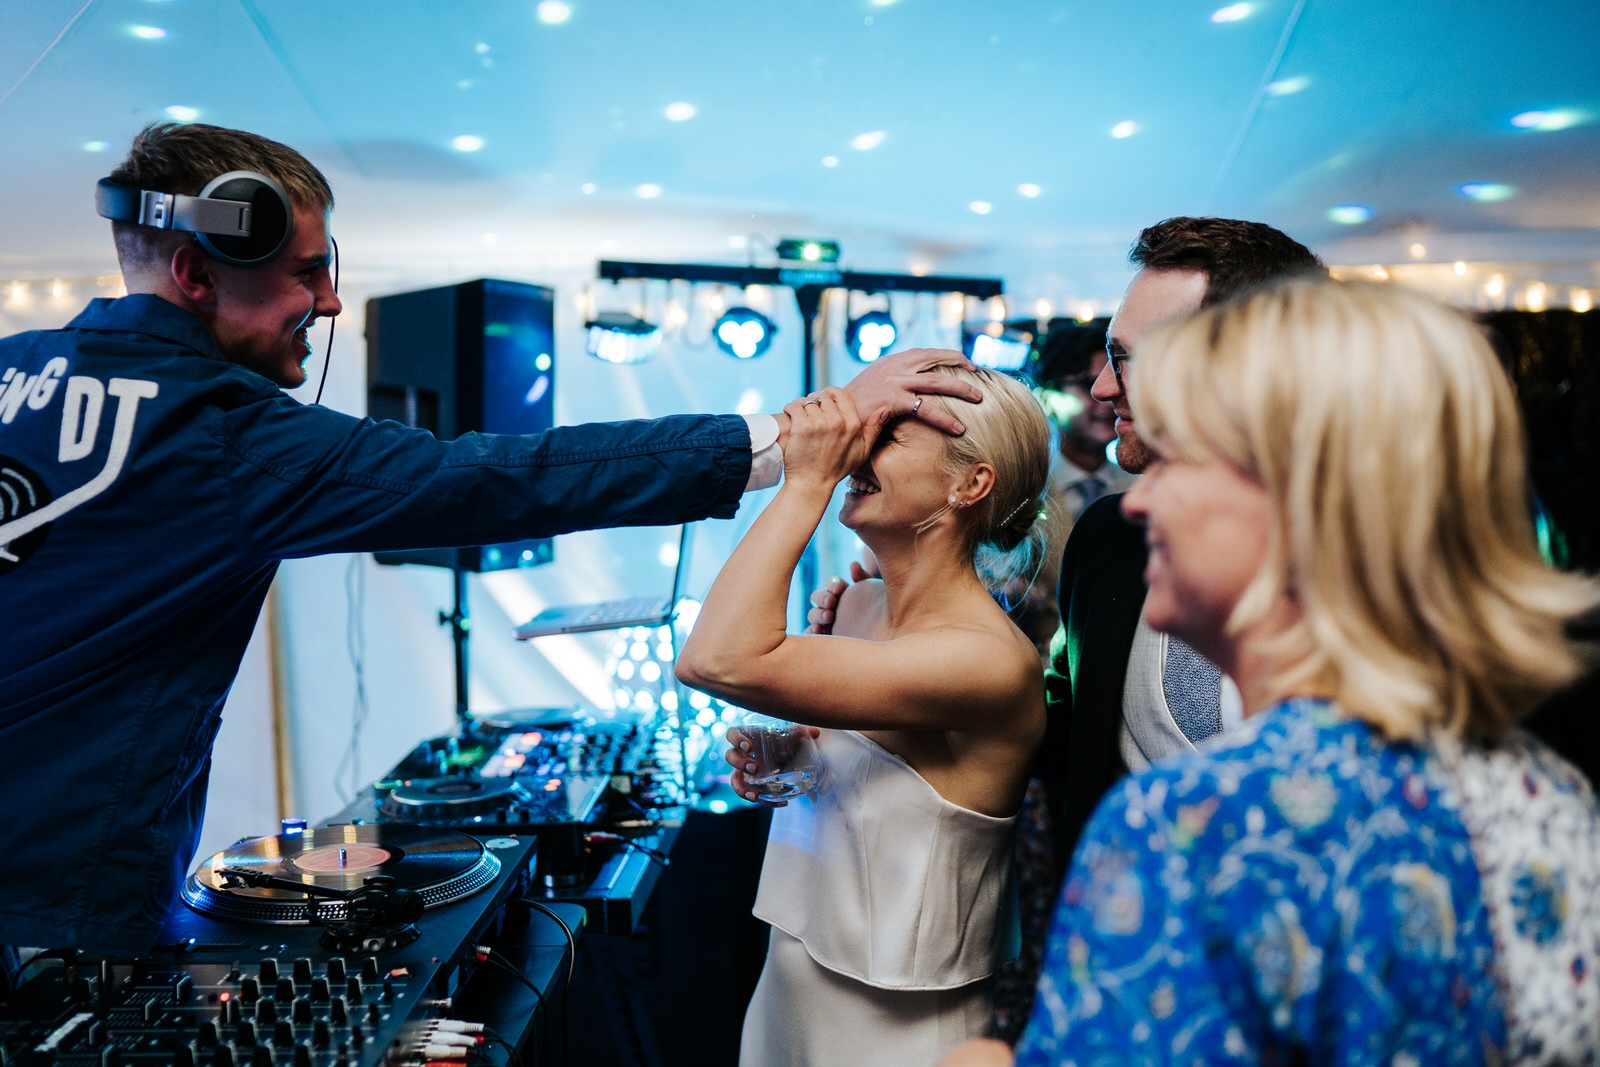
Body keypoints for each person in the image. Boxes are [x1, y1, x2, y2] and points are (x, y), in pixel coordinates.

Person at [0, 122, 981, 958]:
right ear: (194, 271)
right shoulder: (214, 431)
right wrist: (801, 434)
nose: (331, 303)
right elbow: (500, 475)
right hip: (51, 916)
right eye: (306, 273)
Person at [943, 277, 1600, 1064]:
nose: (1142, 502)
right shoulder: (1551, 793)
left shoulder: (1199, 826)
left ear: (1301, 501)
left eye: (1182, 458)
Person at [674, 362, 1052, 1066]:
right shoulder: (852, 604)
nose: (857, 445)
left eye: (888, 434)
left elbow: (714, 658)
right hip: (787, 986)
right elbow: (885, 786)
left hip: (901, 1029)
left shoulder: (986, 660)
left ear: (970, 484)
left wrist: (809, 477)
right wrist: (796, 764)